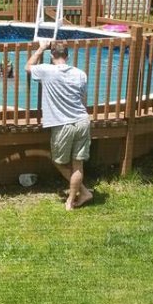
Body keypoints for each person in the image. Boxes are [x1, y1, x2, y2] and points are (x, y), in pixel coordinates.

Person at [25, 40, 94, 210]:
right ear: (67, 55)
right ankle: (77, 196)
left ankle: (78, 195)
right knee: (78, 163)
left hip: (63, 125)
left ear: (51, 55)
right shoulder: (80, 74)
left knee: (58, 161)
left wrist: (40, 47)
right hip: (82, 121)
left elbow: (28, 66)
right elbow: (83, 99)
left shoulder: (46, 70)